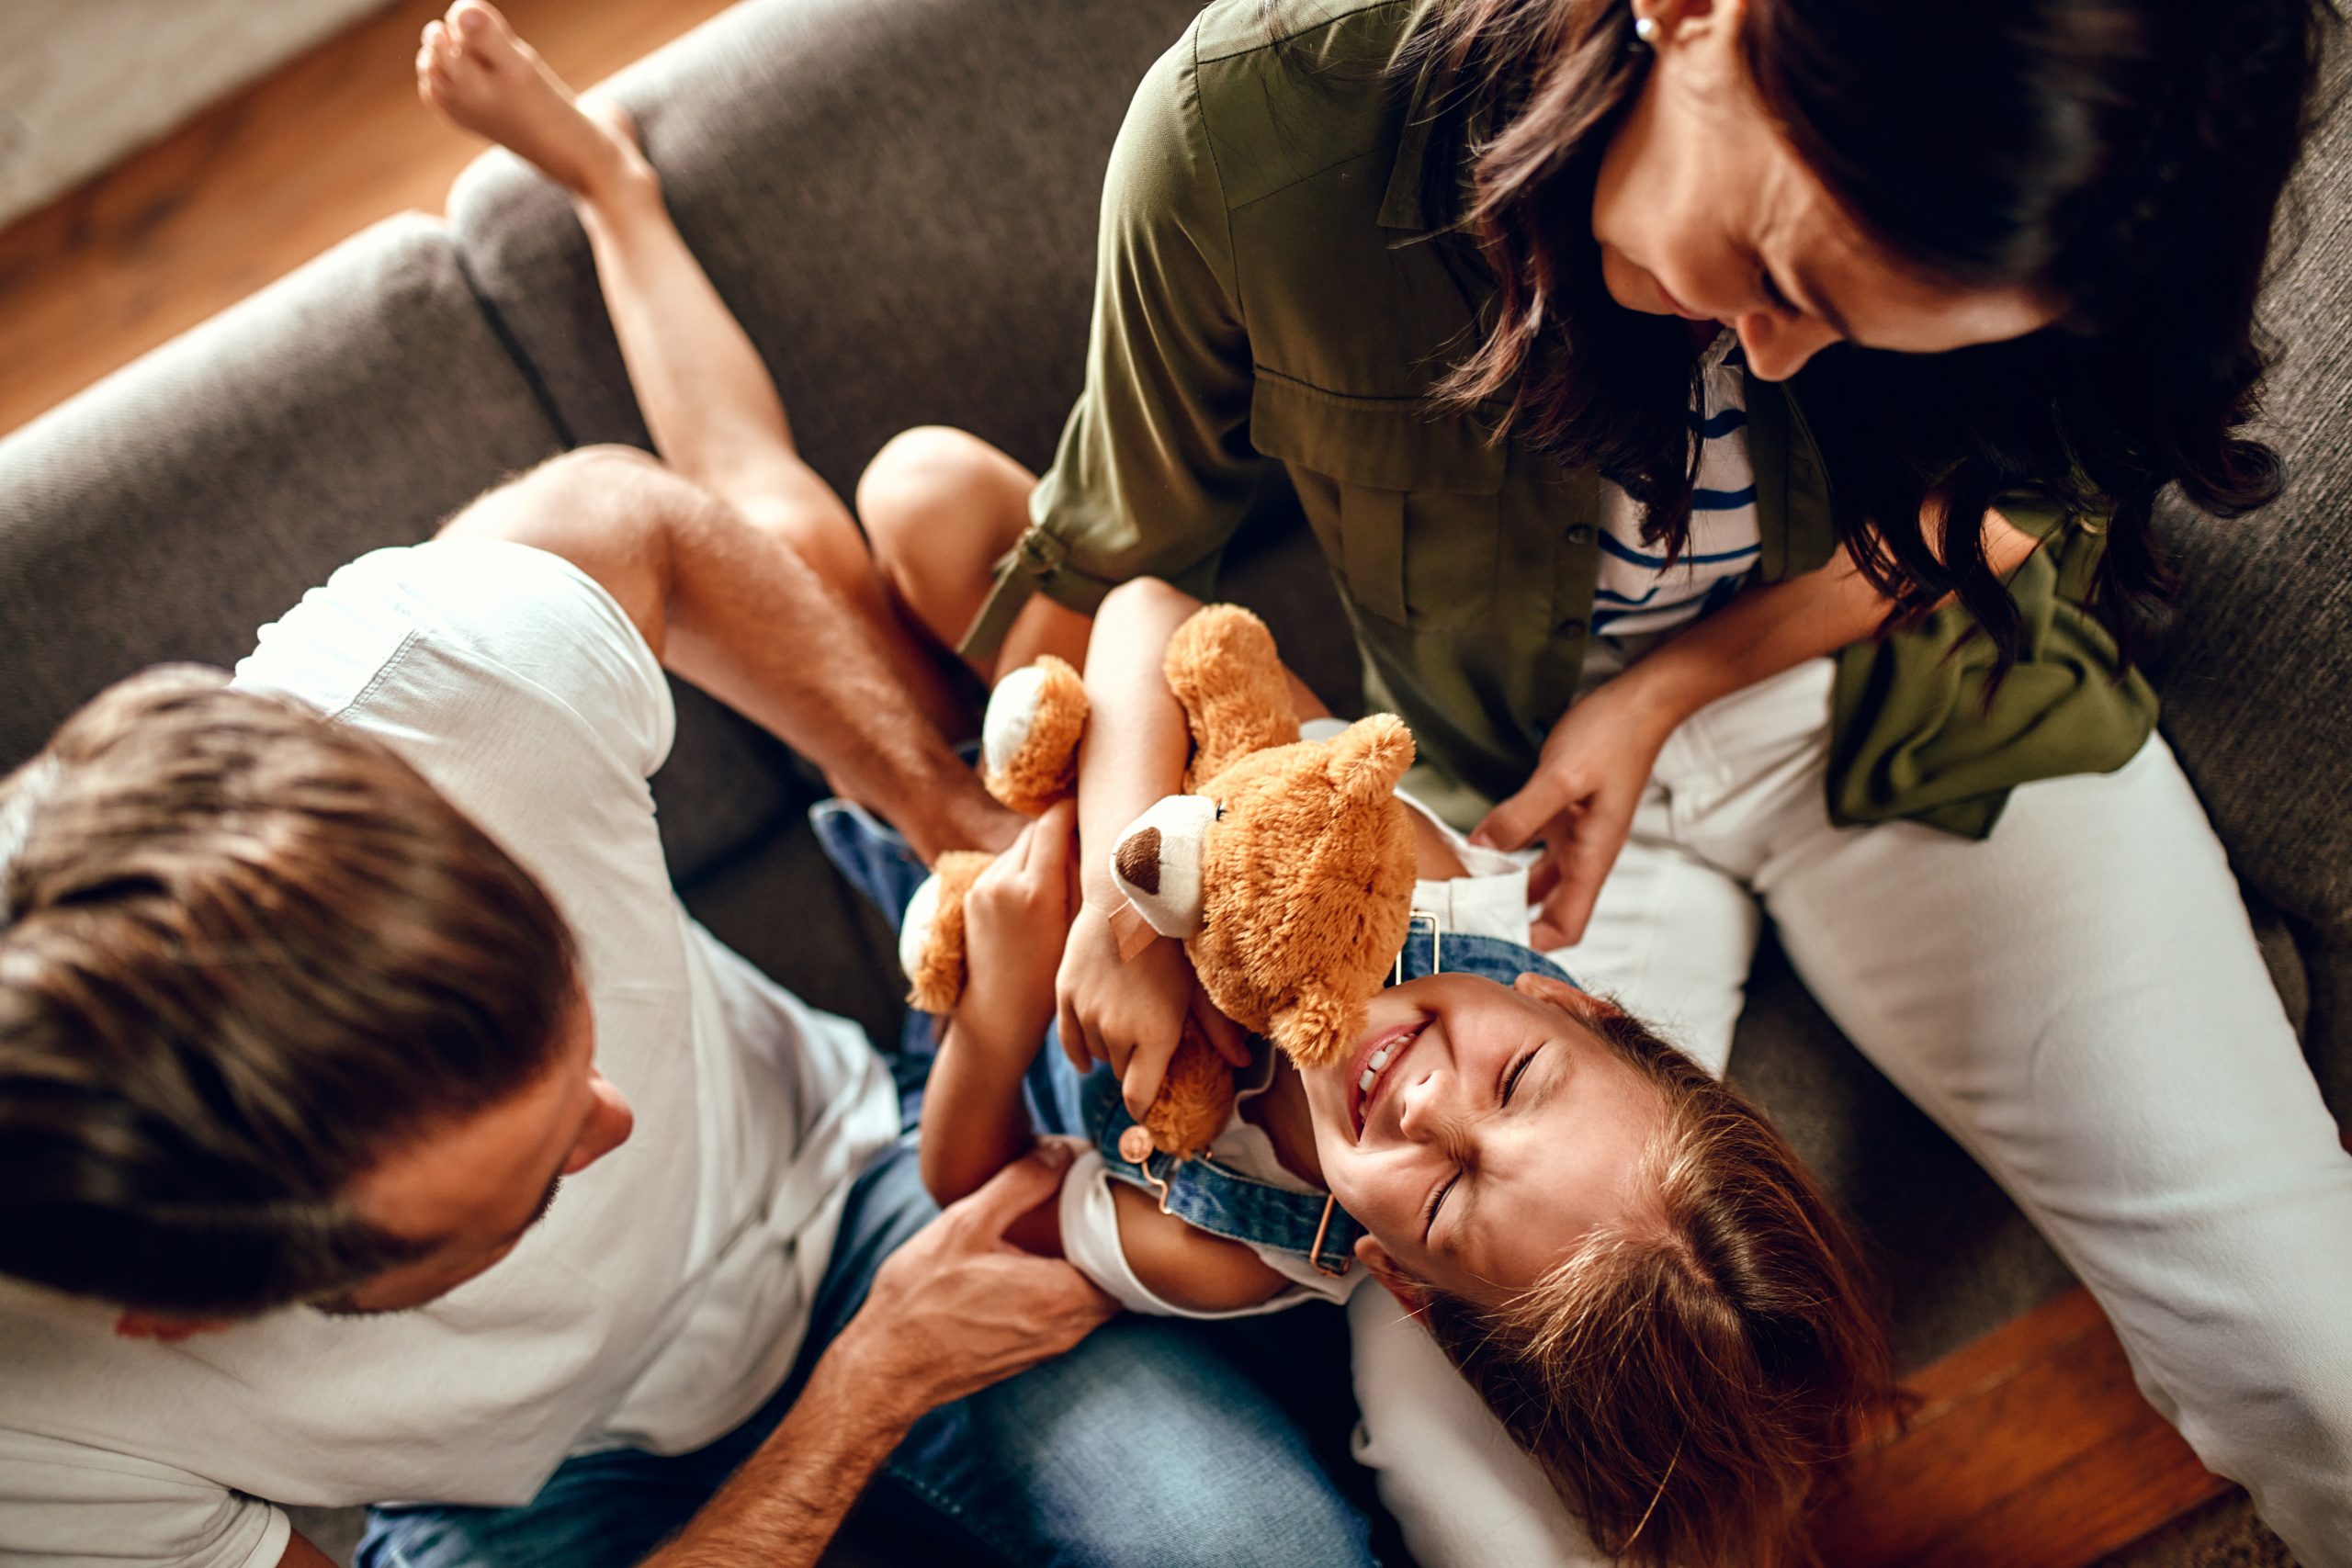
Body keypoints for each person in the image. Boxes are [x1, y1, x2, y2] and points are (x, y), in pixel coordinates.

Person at [829, 0, 2352, 1562]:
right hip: (1505, 802)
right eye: (1775, 275)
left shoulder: (2079, 158)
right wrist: (1118, 899)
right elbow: (1121, 579)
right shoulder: (1252, 133)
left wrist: (1667, 691)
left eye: (1868, 328)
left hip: (1923, 708)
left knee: (2319, 1356)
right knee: (1485, 1498)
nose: (1767, 355)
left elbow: (2032, 484)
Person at [0, 6, 1382, 1565]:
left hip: (846, 1179)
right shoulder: (34, 1447)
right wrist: (865, 1393)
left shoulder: (436, 693)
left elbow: (647, 513)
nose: (617, 1118)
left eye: (570, 1033)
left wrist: (969, 833)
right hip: (514, 1511)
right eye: (521, 1192)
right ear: (181, 1315)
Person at [876, 575, 1894, 1568]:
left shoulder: (1227, 1247)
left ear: (1401, 1281)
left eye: (1449, 1193)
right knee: (931, 501)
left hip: (968, 974)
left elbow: (973, 1200)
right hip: (1096, 763)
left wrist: (1000, 1012)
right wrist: (1113, 908)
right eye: (1517, 1080)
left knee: (903, 691)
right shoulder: (1411, 879)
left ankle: (896, 769)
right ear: (1569, 1004)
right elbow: (1151, 615)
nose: (1425, 1101)